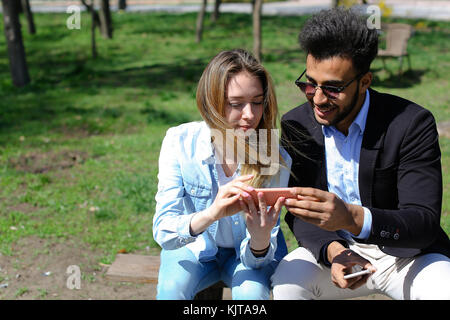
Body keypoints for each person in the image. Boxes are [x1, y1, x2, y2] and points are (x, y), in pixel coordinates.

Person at [271, 8, 450, 300]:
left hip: (407, 256)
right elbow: (300, 212)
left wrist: (354, 219)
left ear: (364, 81)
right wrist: (335, 251)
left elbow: (423, 222)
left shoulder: (411, 123)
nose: (317, 98)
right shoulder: (296, 125)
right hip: (337, 255)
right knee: (287, 283)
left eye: (332, 88)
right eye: (310, 83)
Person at [153, 49, 292, 300]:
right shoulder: (179, 142)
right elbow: (163, 231)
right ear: (211, 101)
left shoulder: (273, 155)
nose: (249, 114)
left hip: (250, 255)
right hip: (192, 250)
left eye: (257, 101)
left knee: (252, 293)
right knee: (171, 290)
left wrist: (259, 239)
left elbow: (257, 259)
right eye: (236, 104)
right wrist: (212, 213)